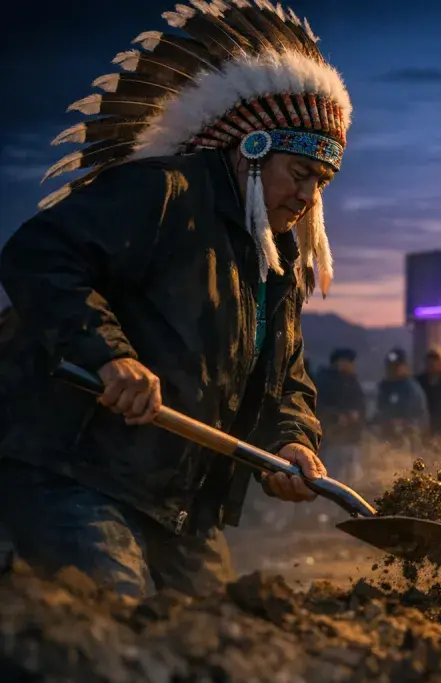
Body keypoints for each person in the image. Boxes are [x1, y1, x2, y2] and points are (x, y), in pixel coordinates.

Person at [0, 2, 353, 599]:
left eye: (321, 181)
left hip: (181, 501)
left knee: (212, 636)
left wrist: (291, 439)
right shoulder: (163, 192)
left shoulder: (276, 265)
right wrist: (110, 356)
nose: (308, 194)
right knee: (115, 623)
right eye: (298, 173)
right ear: (251, 150)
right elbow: (40, 256)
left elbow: (284, 378)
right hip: (73, 468)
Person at [315, 348, 366, 483]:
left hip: (352, 441)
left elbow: (361, 408)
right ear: (340, 362)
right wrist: (338, 417)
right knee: (332, 481)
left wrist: (356, 417)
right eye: (349, 362)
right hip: (332, 443)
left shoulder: (353, 382)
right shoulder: (324, 381)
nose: (352, 366)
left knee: (352, 483)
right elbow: (317, 408)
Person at [375, 348, 429, 451]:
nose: (393, 370)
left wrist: (403, 424)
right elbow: (379, 412)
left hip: (408, 443)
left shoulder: (412, 388)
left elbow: (421, 417)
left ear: (405, 367)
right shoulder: (384, 388)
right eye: (390, 367)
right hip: (387, 441)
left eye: (397, 366)